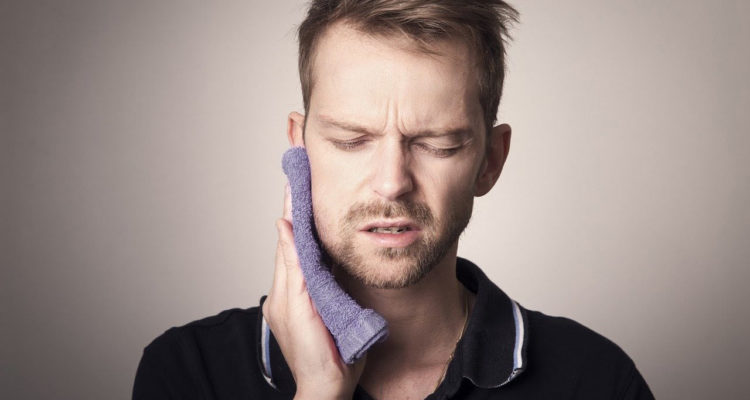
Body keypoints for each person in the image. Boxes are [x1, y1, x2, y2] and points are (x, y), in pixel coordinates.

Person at [133, 1, 654, 399]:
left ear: (490, 160)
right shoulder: (189, 372)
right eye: (350, 141)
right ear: (300, 147)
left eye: (437, 145)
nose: (391, 183)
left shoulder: (596, 381)